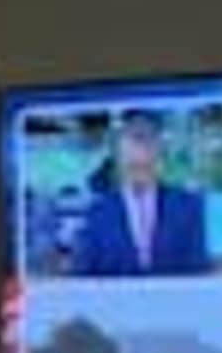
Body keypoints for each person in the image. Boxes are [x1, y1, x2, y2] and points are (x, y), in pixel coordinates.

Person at [74, 109, 208, 277]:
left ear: (160, 153)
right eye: (133, 164)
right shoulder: (97, 213)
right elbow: (82, 279)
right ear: (119, 156)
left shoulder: (187, 207)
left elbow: (200, 275)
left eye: (148, 141)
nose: (140, 153)